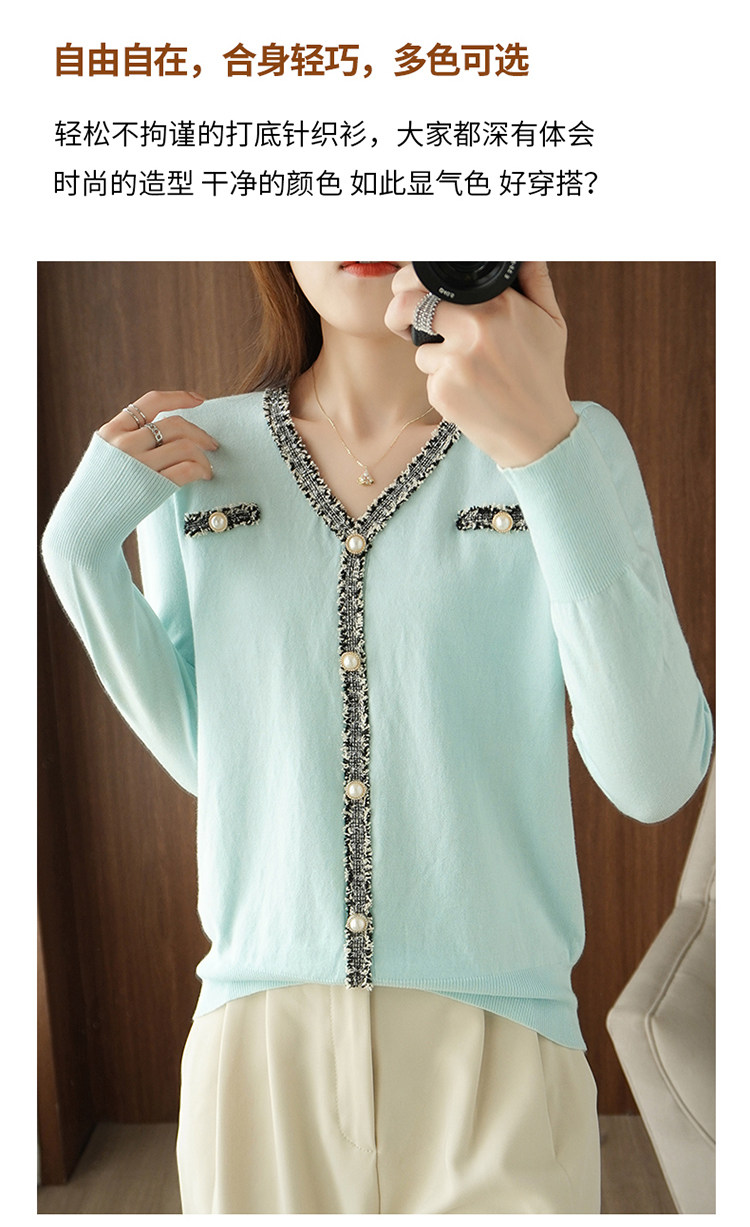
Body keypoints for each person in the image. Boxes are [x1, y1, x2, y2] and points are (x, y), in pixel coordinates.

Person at [41, 261, 713, 1214]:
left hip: (502, 1050)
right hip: (258, 1057)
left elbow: (656, 777)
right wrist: (77, 558)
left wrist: (544, 452)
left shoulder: (571, 440)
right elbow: (223, 766)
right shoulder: (197, 456)